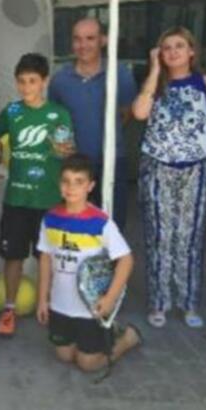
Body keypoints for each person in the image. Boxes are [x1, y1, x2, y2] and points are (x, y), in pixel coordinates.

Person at [0, 53, 74, 338]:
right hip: (16, 199)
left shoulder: (59, 114)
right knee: (13, 256)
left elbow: (67, 152)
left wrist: (63, 151)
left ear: (44, 81)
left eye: (33, 82)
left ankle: (49, 306)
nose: (26, 88)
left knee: (47, 258)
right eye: (22, 82)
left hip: (48, 201)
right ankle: (9, 308)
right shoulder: (12, 111)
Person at [132, 27, 206, 329]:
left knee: (189, 238)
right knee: (159, 237)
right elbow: (140, 113)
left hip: (195, 168)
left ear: (192, 51)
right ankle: (159, 301)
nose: (173, 52)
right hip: (158, 167)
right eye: (166, 47)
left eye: (180, 46)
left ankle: (189, 301)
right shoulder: (155, 85)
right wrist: (154, 71)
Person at [36, 154, 141, 371]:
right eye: (66, 181)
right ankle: (99, 336)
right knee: (65, 356)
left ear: (90, 186)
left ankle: (127, 338)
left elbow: (126, 260)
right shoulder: (50, 218)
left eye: (79, 182)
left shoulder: (100, 222)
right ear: (59, 184)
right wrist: (42, 299)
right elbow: (45, 257)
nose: (71, 188)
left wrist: (110, 298)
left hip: (89, 307)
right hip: (60, 305)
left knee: (87, 364)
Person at [48, 18, 137, 229]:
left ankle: (111, 264)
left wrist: (104, 137)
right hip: (73, 165)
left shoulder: (119, 73)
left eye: (90, 38)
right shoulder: (60, 79)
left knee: (111, 226)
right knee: (75, 226)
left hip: (112, 161)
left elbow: (126, 113)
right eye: (77, 39)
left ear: (103, 40)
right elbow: (55, 120)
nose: (83, 45)